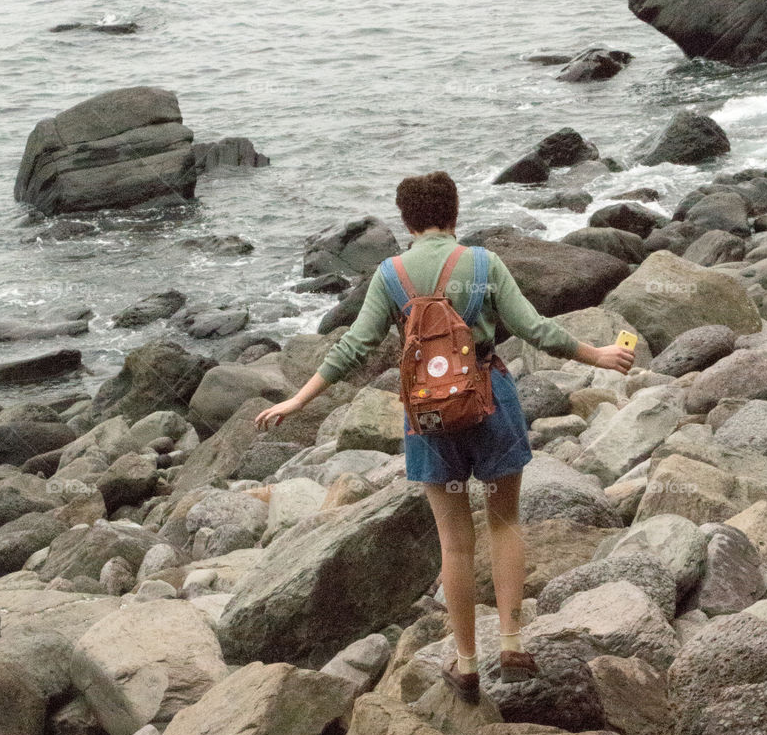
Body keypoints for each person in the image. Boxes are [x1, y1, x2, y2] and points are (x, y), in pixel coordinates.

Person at [254, 170, 635, 704]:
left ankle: (466, 663)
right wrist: (597, 354)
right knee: (504, 524)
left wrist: (298, 400)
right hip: (490, 403)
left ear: (406, 221)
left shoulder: (390, 275)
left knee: (455, 544)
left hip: (428, 420)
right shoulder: (482, 263)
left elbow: (354, 348)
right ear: (454, 213)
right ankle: (511, 642)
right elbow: (534, 328)